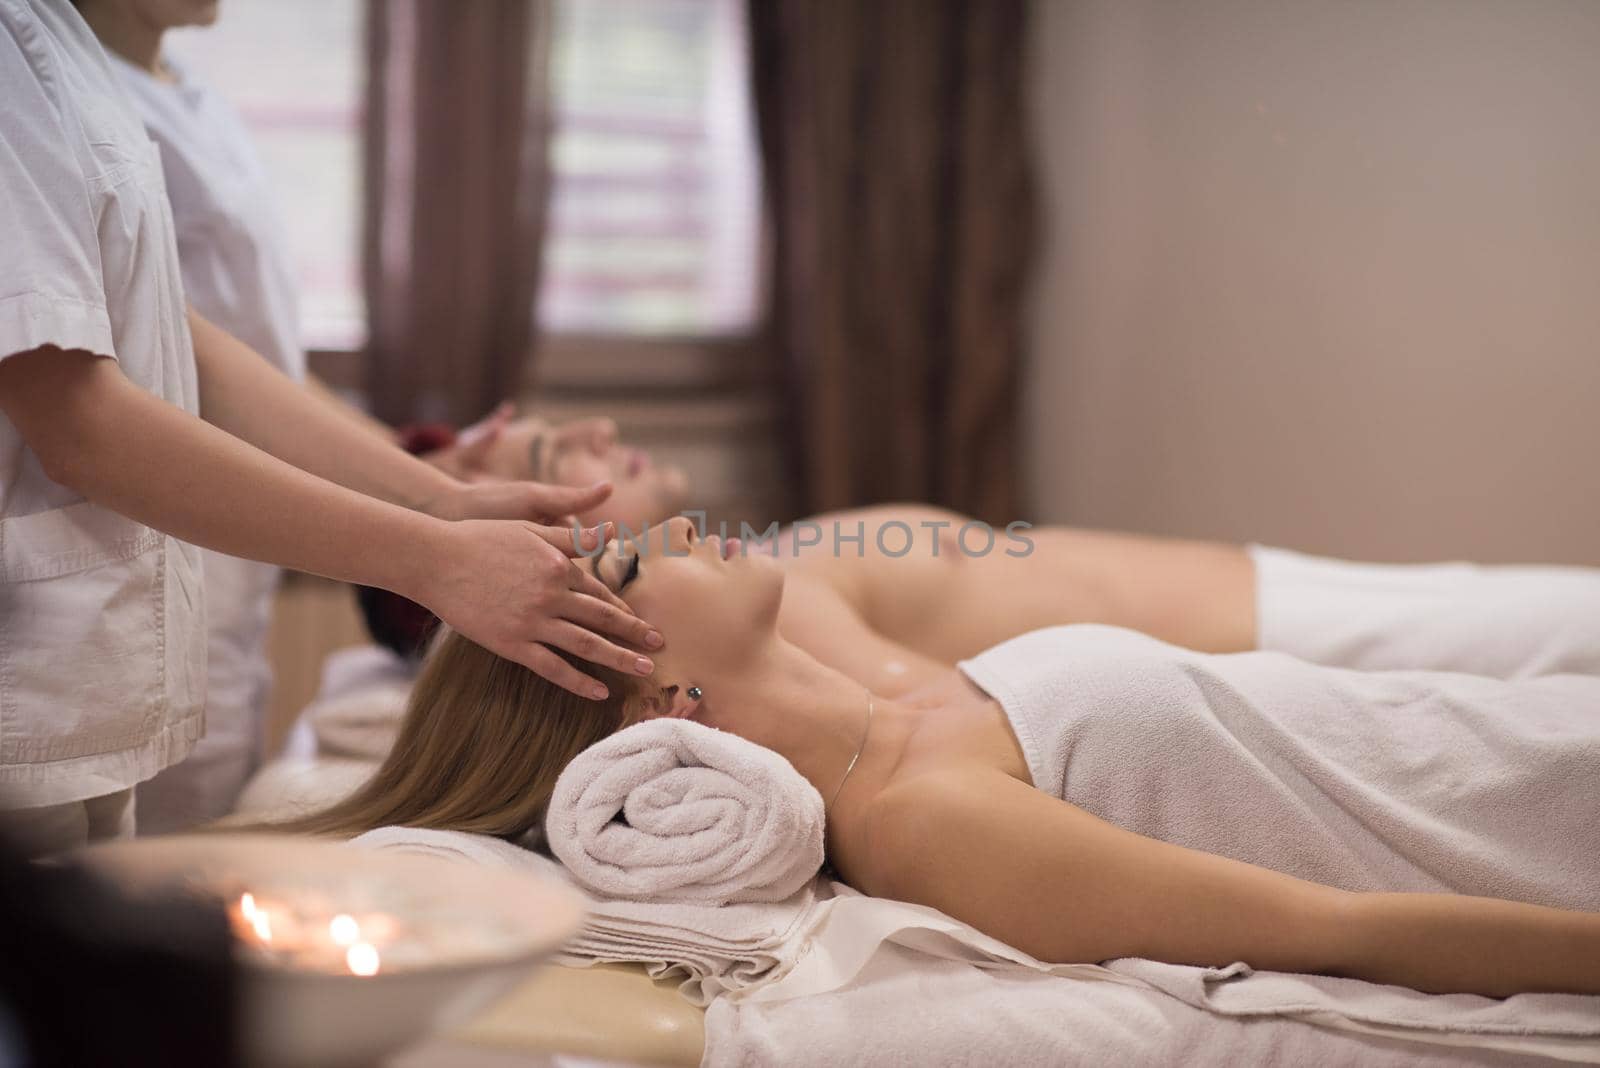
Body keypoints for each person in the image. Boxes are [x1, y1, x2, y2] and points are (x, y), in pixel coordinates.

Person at [267, 515, 1600, 999]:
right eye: (630, 561)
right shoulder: (920, 821)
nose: (665, 524)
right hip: (1536, 808)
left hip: (1513, 739)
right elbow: (1343, 934)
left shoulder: (922, 722)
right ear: (657, 702)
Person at [0, 0, 658, 855]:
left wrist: (438, 501)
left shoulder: (66, 59)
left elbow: (192, 346)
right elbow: (83, 422)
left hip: (111, 653)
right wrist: (433, 551)